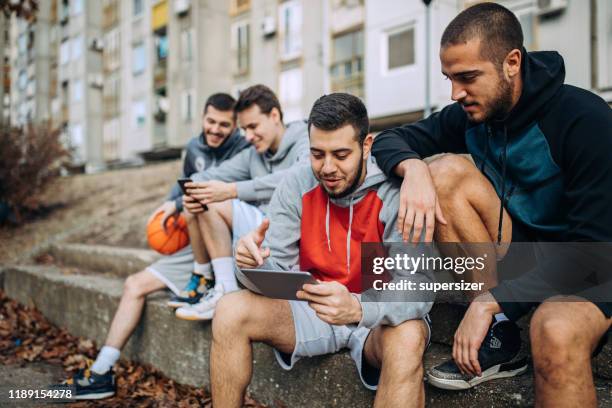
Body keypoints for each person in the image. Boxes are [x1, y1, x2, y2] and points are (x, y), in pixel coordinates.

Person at [371, 2, 612, 405]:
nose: (455, 93)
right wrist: (413, 169)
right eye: (449, 79)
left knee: (553, 329)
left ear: (512, 62)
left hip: (592, 261)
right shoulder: (471, 114)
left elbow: (593, 253)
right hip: (525, 253)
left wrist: (492, 300)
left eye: (467, 77)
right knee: (442, 172)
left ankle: (495, 314)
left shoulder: (584, 119)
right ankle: (501, 335)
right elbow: (388, 139)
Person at [211, 93, 432, 408]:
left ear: (366, 146)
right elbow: (274, 273)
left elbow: (418, 285)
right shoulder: (297, 183)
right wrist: (249, 264)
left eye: (341, 154)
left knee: (409, 335)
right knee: (230, 309)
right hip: (312, 310)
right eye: (317, 154)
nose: (327, 167)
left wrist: (358, 308)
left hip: (374, 319)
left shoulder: (394, 193)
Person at [56, 93, 250, 400]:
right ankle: (102, 373)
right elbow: (181, 184)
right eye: (210, 121)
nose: (215, 129)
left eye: (224, 125)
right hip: (197, 241)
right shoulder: (194, 146)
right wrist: (165, 206)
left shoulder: (245, 149)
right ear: (202, 117)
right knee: (134, 284)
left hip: (226, 243)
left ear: (235, 125)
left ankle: (203, 279)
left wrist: (181, 203)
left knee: (194, 202)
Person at [175, 84, 309, 320]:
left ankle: (225, 287)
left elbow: (299, 177)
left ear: (275, 116)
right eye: (244, 129)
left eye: (253, 126)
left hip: (297, 236)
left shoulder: (304, 138)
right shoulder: (253, 154)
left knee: (215, 200)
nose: (248, 136)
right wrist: (191, 192)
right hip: (261, 234)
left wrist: (232, 190)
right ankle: (220, 286)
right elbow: (205, 177)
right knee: (202, 199)